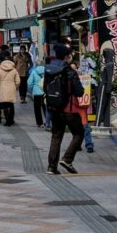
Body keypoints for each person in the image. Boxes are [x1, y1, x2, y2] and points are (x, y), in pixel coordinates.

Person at [45, 45, 87, 175]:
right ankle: (67, 159)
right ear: (66, 56)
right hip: (68, 108)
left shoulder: (49, 69)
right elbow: (79, 92)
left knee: (56, 136)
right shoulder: (69, 70)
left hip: (54, 108)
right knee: (79, 133)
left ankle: (51, 167)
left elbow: (45, 88)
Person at [0, 55, 19, 126]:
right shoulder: (14, 70)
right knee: (11, 104)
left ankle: (7, 120)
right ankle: (11, 120)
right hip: (11, 87)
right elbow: (18, 81)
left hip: (3, 88)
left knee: (5, 105)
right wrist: (15, 87)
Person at [28, 60, 48, 129]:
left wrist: (32, 88)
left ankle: (39, 123)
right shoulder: (47, 72)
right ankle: (48, 122)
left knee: (37, 108)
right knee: (45, 107)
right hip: (45, 92)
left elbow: (29, 83)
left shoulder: (34, 72)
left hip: (36, 92)